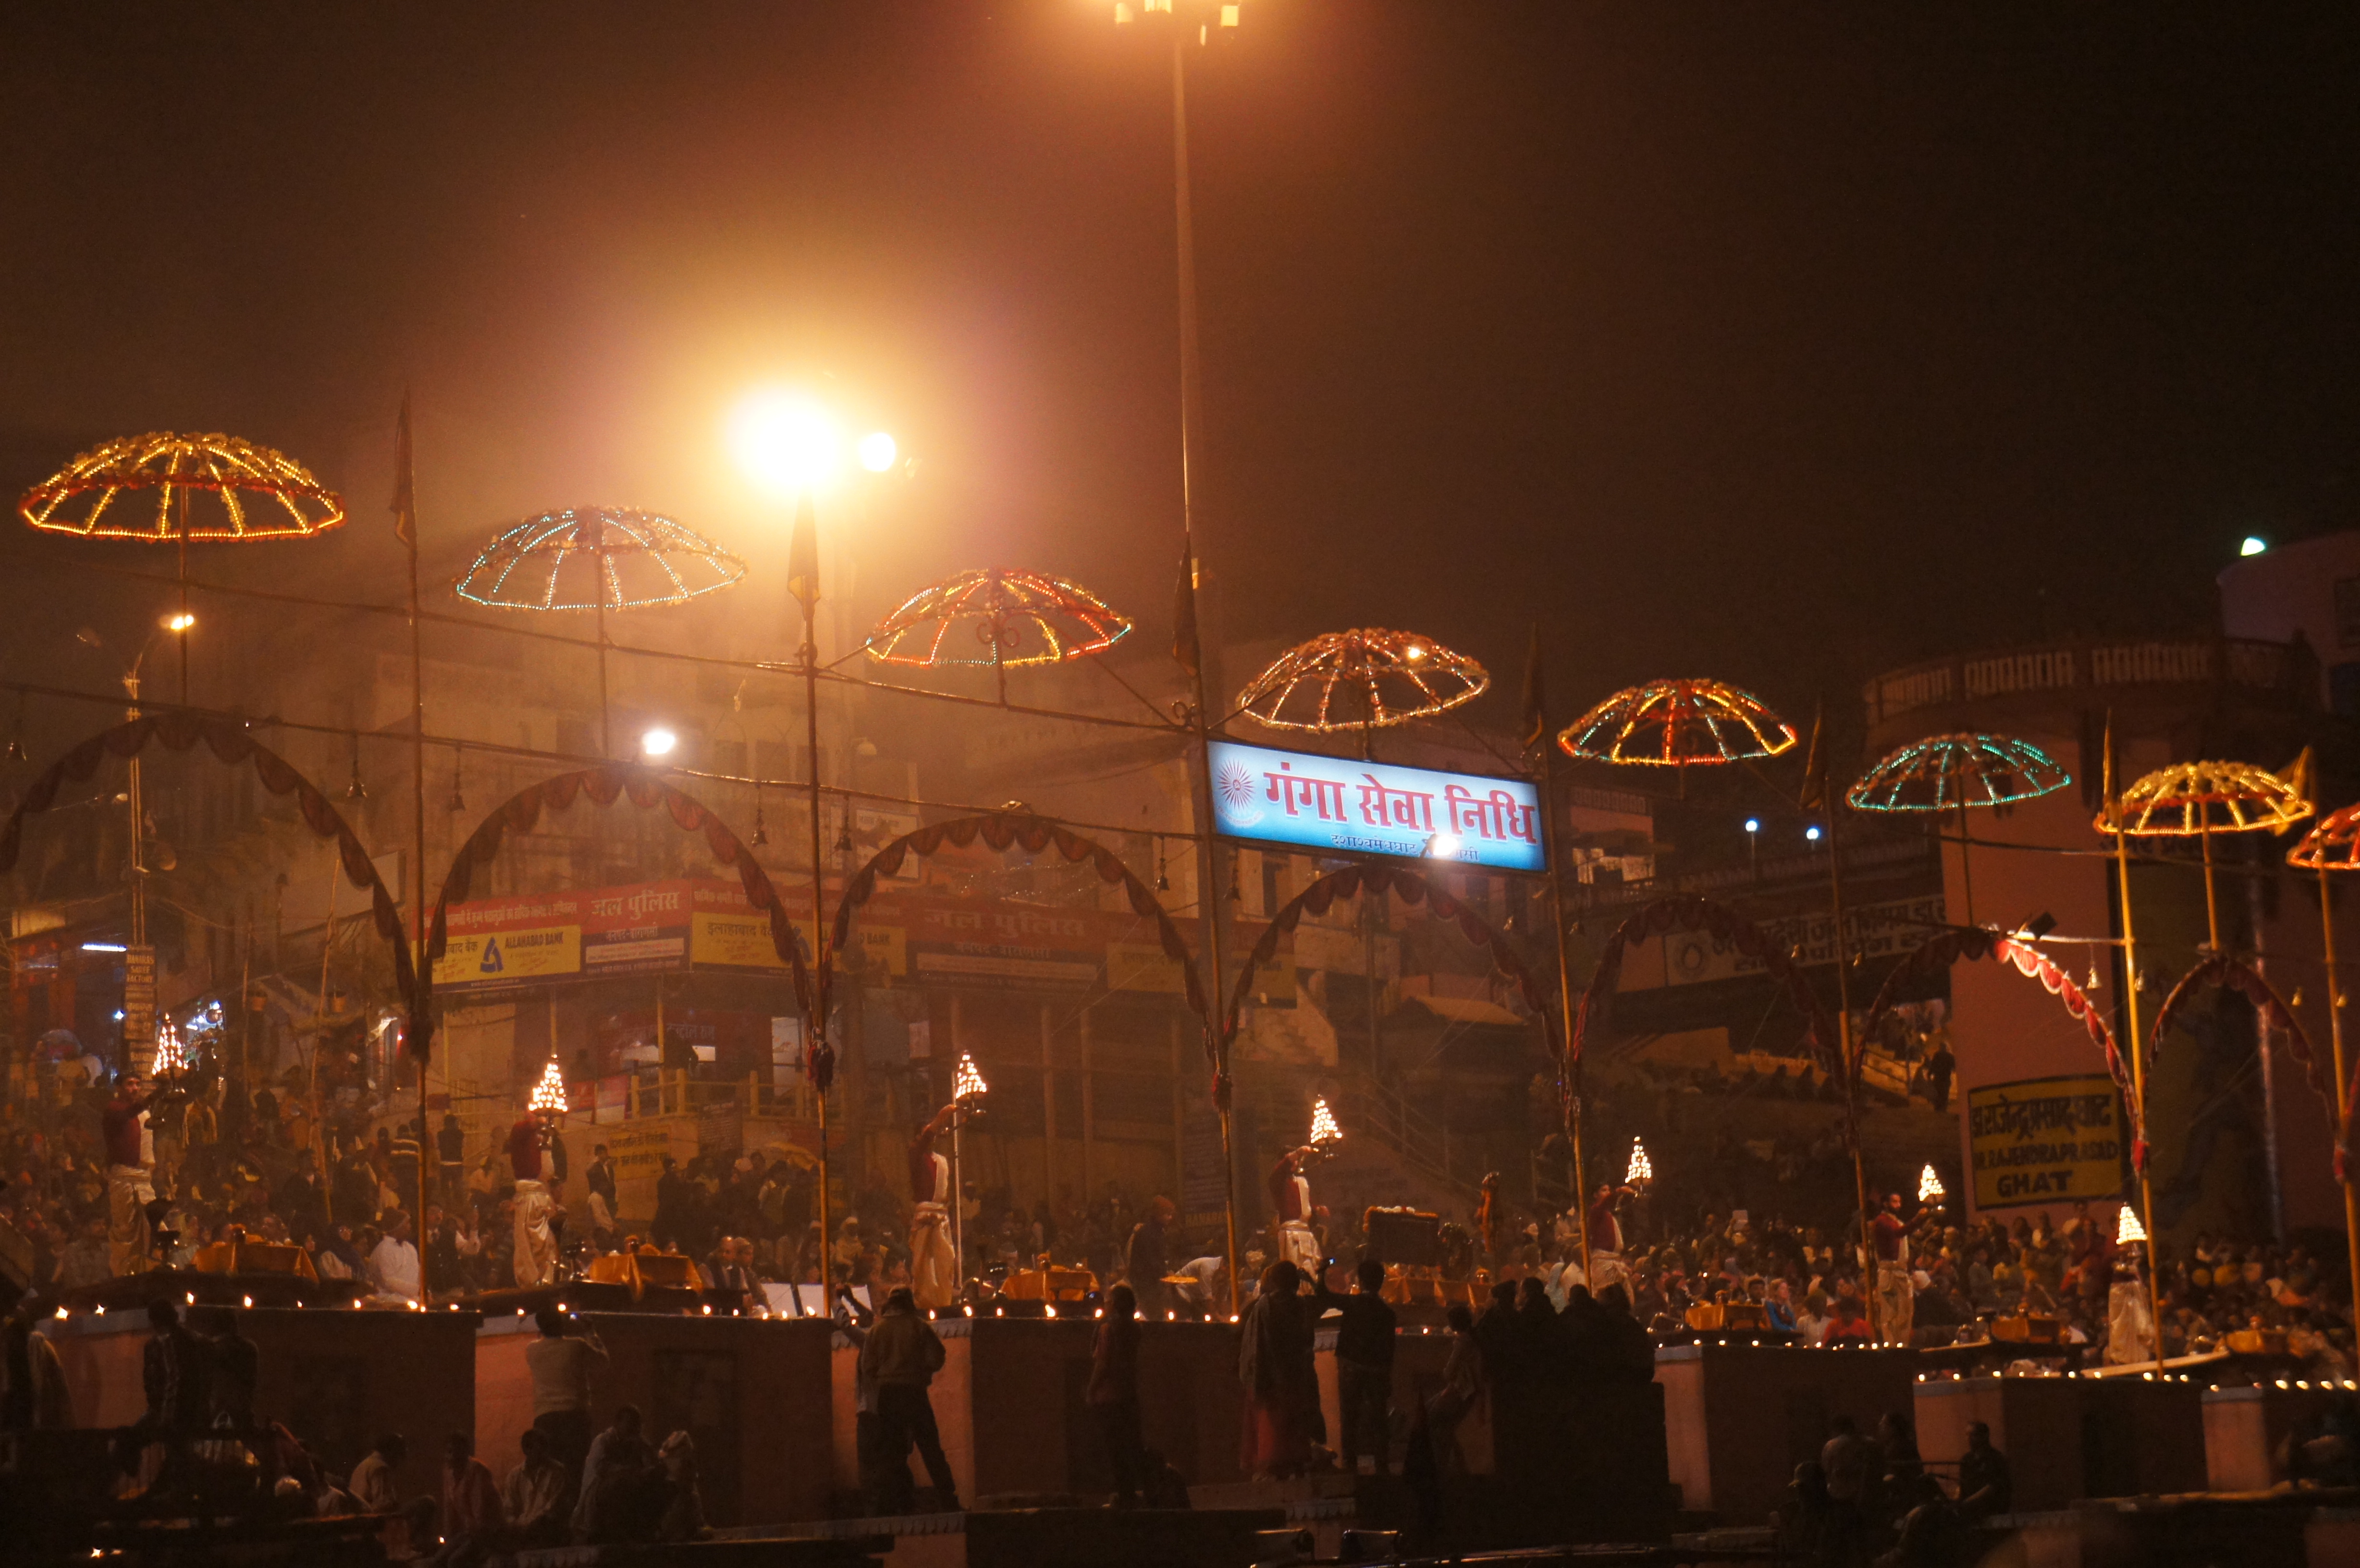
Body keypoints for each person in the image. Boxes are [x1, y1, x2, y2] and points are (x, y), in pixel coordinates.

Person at [860, 1284, 959, 1511]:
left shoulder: (876, 1331)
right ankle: (948, 1500)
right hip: (915, 1393)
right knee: (930, 1447)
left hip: (888, 1396)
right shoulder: (919, 1327)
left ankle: (894, 1504)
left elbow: (868, 1367)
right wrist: (920, 1372)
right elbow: (937, 1358)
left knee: (891, 1452)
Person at [1316, 1257, 1396, 1477]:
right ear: (1381, 1282)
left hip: (1351, 1368)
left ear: (1360, 1281)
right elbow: (1389, 1349)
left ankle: (1350, 1465)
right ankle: (1382, 1466)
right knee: (1379, 1420)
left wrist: (1321, 1273)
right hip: (1377, 1372)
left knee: (1350, 1418)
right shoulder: (1388, 1314)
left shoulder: (1353, 1304)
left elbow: (1323, 1295)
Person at [1238, 1260, 1317, 1479]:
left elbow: (1254, 1342)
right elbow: (1307, 1338)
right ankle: (1296, 1462)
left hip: (1269, 1374)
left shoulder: (1263, 1306)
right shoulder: (1302, 1306)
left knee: (1272, 1424)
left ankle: (1274, 1463)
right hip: (1296, 1373)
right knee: (1295, 1423)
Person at [525, 1307, 609, 1482]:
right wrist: (590, 1332)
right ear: (561, 1323)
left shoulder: (531, 1350)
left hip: (545, 1418)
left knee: (549, 1473)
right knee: (577, 1469)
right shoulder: (577, 1345)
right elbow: (603, 1361)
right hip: (574, 1416)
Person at [1089, 1282, 1147, 1506]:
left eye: (1108, 1300)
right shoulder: (1135, 1329)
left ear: (1114, 1304)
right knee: (1130, 1445)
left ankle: (1122, 1496)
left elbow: (1103, 1363)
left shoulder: (1108, 1329)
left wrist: (1091, 1389)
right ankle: (1131, 1492)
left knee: (1114, 1448)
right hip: (1129, 1392)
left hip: (1109, 1395)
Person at [906, 1104, 961, 1308]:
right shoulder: (915, 1155)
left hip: (940, 1217)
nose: (934, 1136)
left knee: (946, 1262)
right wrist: (939, 1119)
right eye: (929, 1132)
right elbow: (924, 1142)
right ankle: (924, 1304)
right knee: (923, 1267)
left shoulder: (941, 1162)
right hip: (925, 1217)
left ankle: (944, 1302)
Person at [574, 1405, 655, 1542]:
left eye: (637, 1424)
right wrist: (629, 1472)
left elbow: (651, 1464)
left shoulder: (638, 1442)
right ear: (618, 1423)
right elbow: (600, 1468)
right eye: (630, 1423)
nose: (634, 1428)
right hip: (599, 1491)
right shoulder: (603, 1441)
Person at [102, 1072, 156, 1276]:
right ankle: (123, 1275)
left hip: (144, 1178)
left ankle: (148, 1273)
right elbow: (126, 1116)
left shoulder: (145, 1113)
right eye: (130, 1084)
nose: (135, 1089)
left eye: (138, 1084)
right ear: (118, 1088)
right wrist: (153, 1097)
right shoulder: (113, 1111)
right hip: (124, 1178)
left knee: (152, 1228)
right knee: (126, 1232)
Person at [0, 1296, 73, 1429]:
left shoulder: (40, 1348)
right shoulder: (39, 1347)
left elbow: (60, 1390)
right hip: (23, 1416)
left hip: (33, 1417)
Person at [437, 1431, 504, 1566]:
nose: (452, 1457)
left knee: (455, 1561)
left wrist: (469, 1538)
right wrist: (449, 1536)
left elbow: (480, 1511)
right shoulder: (449, 1473)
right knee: (437, 1560)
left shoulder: (477, 1471)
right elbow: (449, 1509)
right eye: (449, 1452)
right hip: (467, 1533)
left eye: (456, 1452)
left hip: (488, 1532)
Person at [502, 1426, 574, 1548]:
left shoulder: (558, 1472)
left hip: (548, 1531)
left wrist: (530, 1525)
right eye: (539, 1448)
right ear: (526, 1450)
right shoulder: (514, 1476)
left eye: (544, 1447)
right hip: (521, 1533)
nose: (543, 1452)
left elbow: (554, 1508)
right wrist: (515, 1526)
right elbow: (509, 1509)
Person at [1871, 1193, 1929, 1345]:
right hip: (1889, 1273)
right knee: (1890, 1314)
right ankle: (1892, 1347)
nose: (1898, 1205)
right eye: (1894, 1202)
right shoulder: (1882, 1221)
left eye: (1899, 1202)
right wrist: (1918, 1218)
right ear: (1886, 1204)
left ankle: (1903, 1345)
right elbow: (1898, 1232)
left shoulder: (1896, 1221)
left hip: (1901, 1272)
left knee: (1905, 1313)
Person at [1267, 1149, 1321, 1278]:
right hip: (1291, 1232)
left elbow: (1306, 1203)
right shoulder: (1277, 1182)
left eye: (1296, 1161)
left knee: (1313, 1268)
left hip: (1306, 1231)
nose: (1295, 1163)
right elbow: (1280, 1171)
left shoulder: (1301, 1182)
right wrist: (1298, 1152)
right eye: (1292, 1160)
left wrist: (1317, 1209)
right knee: (1295, 1269)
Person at [1125, 1196, 1177, 1318]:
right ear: (1158, 1214)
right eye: (1167, 1214)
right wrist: (1165, 1274)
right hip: (1146, 1283)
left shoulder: (1157, 1231)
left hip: (1152, 1282)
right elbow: (1150, 1261)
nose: (1170, 1218)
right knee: (1153, 1315)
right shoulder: (1148, 1233)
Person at [1956, 1421, 2012, 1521]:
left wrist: (1967, 1503)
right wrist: (1956, 1502)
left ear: (1984, 1436)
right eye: (1967, 1435)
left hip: (1989, 1506)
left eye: (1973, 1435)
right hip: (1969, 1505)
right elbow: (1962, 1484)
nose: (1969, 1439)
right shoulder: (1967, 1459)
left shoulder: (1995, 1458)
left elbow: (1992, 1487)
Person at [348, 1433, 407, 1514]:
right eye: (400, 1454)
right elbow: (383, 1504)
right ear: (392, 1452)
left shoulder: (364, 1465)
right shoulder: (380, 1468)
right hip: (372, 1518)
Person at [370, 1211, 423, 1301]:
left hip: (414, 1299)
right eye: (407, 1224)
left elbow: (417, 1273)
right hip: (389, 1300)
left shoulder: (410, 1248)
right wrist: (416, 1290)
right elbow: (388, 1281)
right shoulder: (384, 1249)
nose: (410, 1227)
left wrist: (422, 1291)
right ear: (398, 1226)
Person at [437, 1115, 467, 1209]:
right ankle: (459, 1207)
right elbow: (463, 1146)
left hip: (444, 1163)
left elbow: (439, 1148)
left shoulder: (440, 1134)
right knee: (458, 1187)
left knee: (445, 1188)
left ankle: (447, 1207)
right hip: (457, 1164)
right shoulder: (460, 1134)